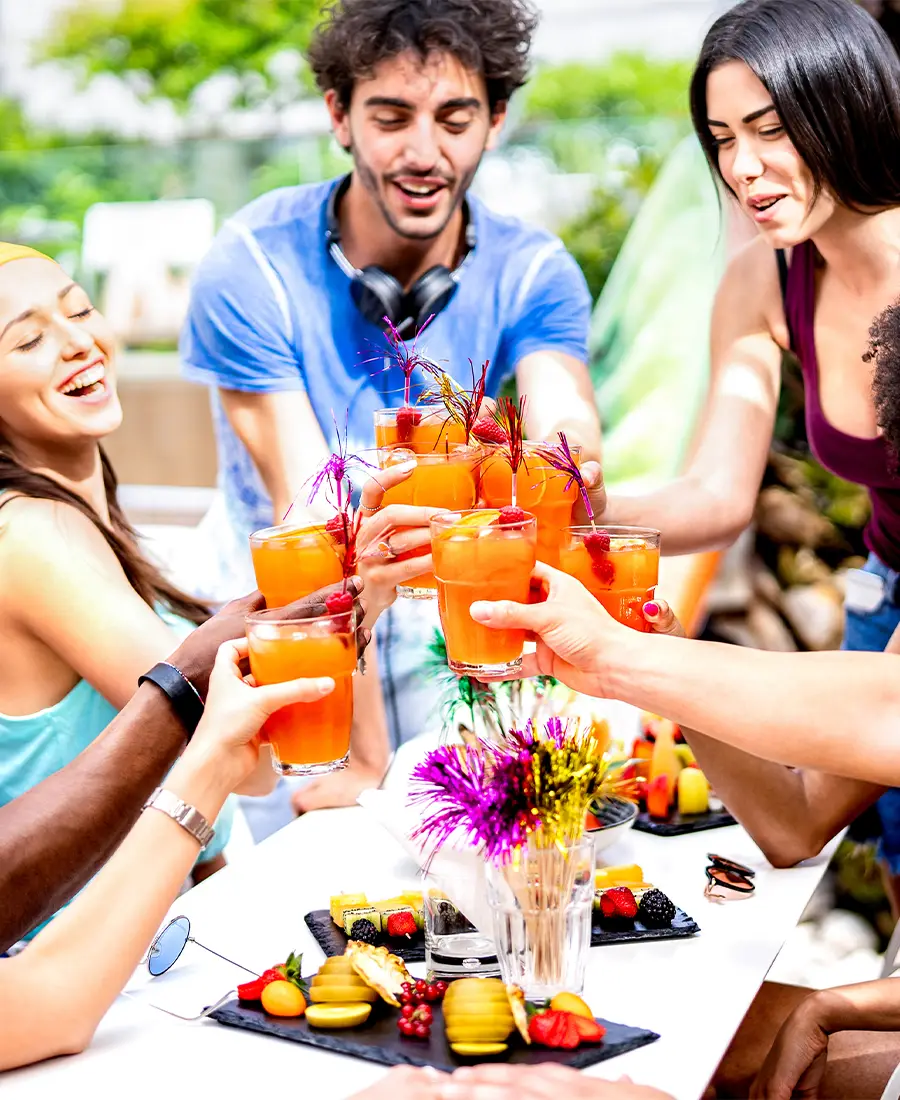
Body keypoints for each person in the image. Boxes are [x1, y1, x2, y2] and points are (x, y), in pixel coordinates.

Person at [180, 0, 599, 813]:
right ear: (338, 115)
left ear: (497, 120)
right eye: (391, 116)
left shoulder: (534, 269)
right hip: (288, 623)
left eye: (454, 118)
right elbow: (314, 515)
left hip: (452, 610)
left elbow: (564, 420)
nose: (423, 152)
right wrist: (356, 764)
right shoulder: (250, 264)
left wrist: (570, 464)